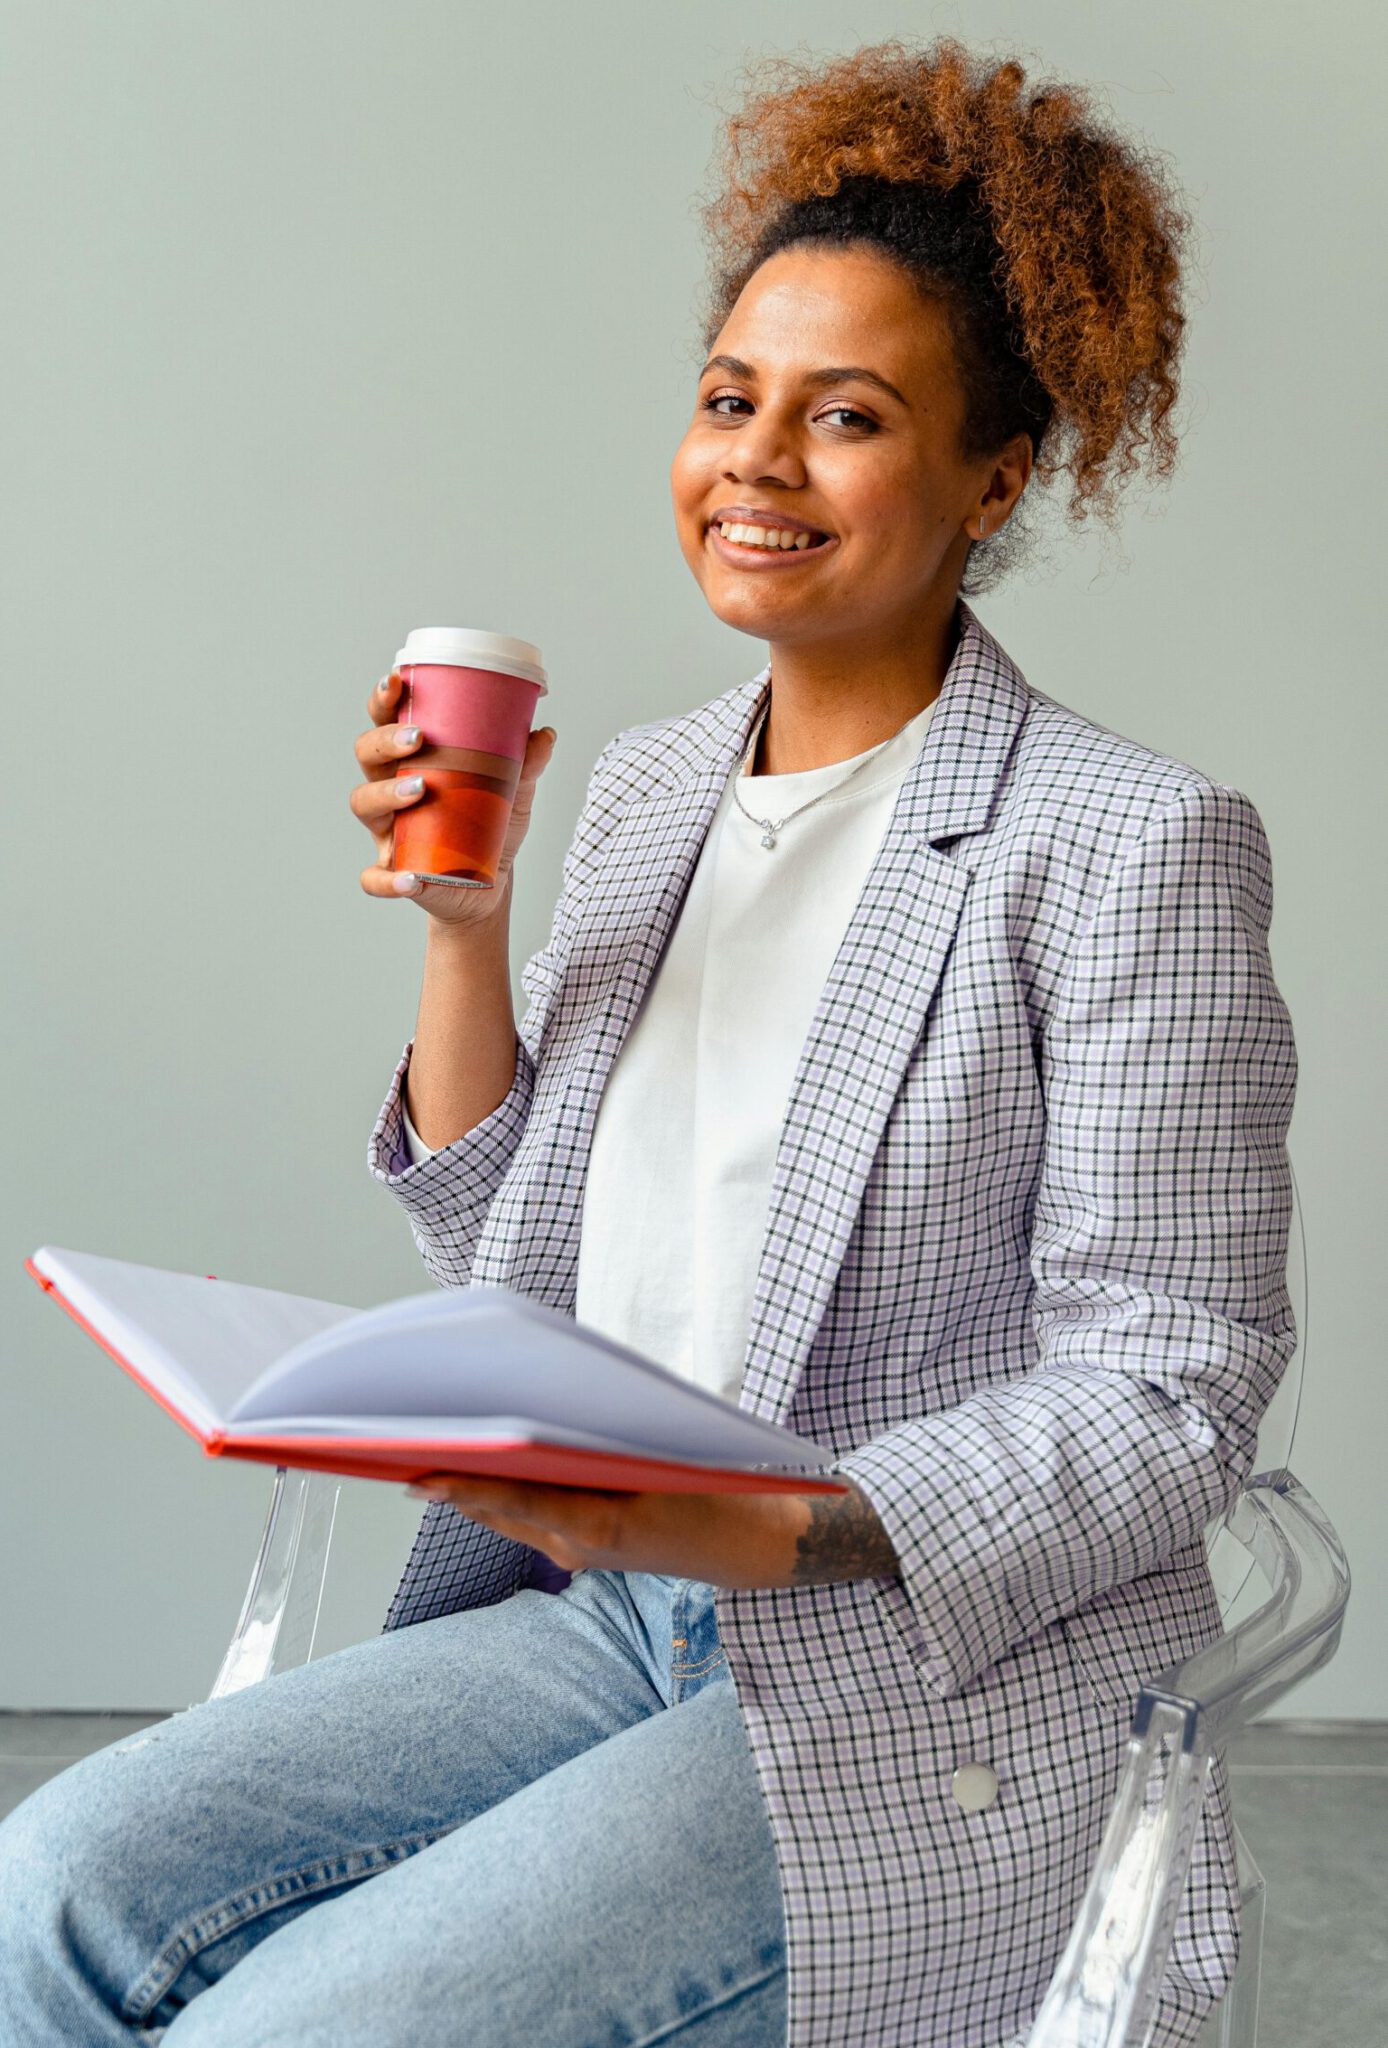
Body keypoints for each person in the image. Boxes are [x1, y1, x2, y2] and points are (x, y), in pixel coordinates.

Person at [0, 34, 1298, 2048]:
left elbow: (1174, 1384)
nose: (756, 461)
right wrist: (465, 928)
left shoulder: (1126, 840)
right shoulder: (647, 789)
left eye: (845, 416)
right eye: (727, 400)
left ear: (994, 474)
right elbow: (508, 1254)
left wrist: (785, 1524)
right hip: (605, 1616)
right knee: (49, 1889)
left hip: (905, 1665)